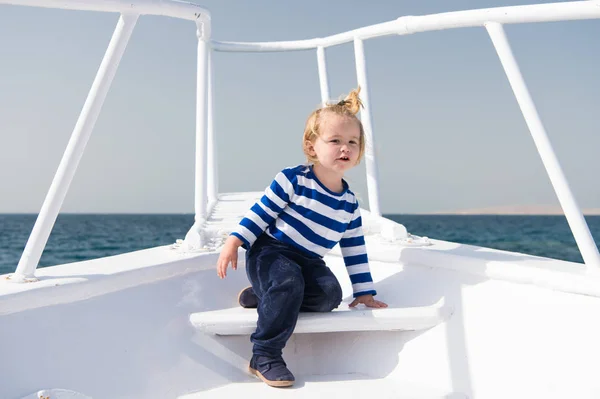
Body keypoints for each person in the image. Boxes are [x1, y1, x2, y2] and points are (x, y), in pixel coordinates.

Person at [216, 87, 388, 388]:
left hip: (308, 260)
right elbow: (261, 213)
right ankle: (264, 354)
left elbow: (354, 248)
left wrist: (363, 291)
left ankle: (264, 295)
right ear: (311, 147)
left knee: (329, 296)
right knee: (287, 281)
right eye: (334, 141)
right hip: (271, 252)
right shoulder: (294, 179)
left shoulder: (349, 204)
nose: (344, 148)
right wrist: (235, 241)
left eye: (352, 142)